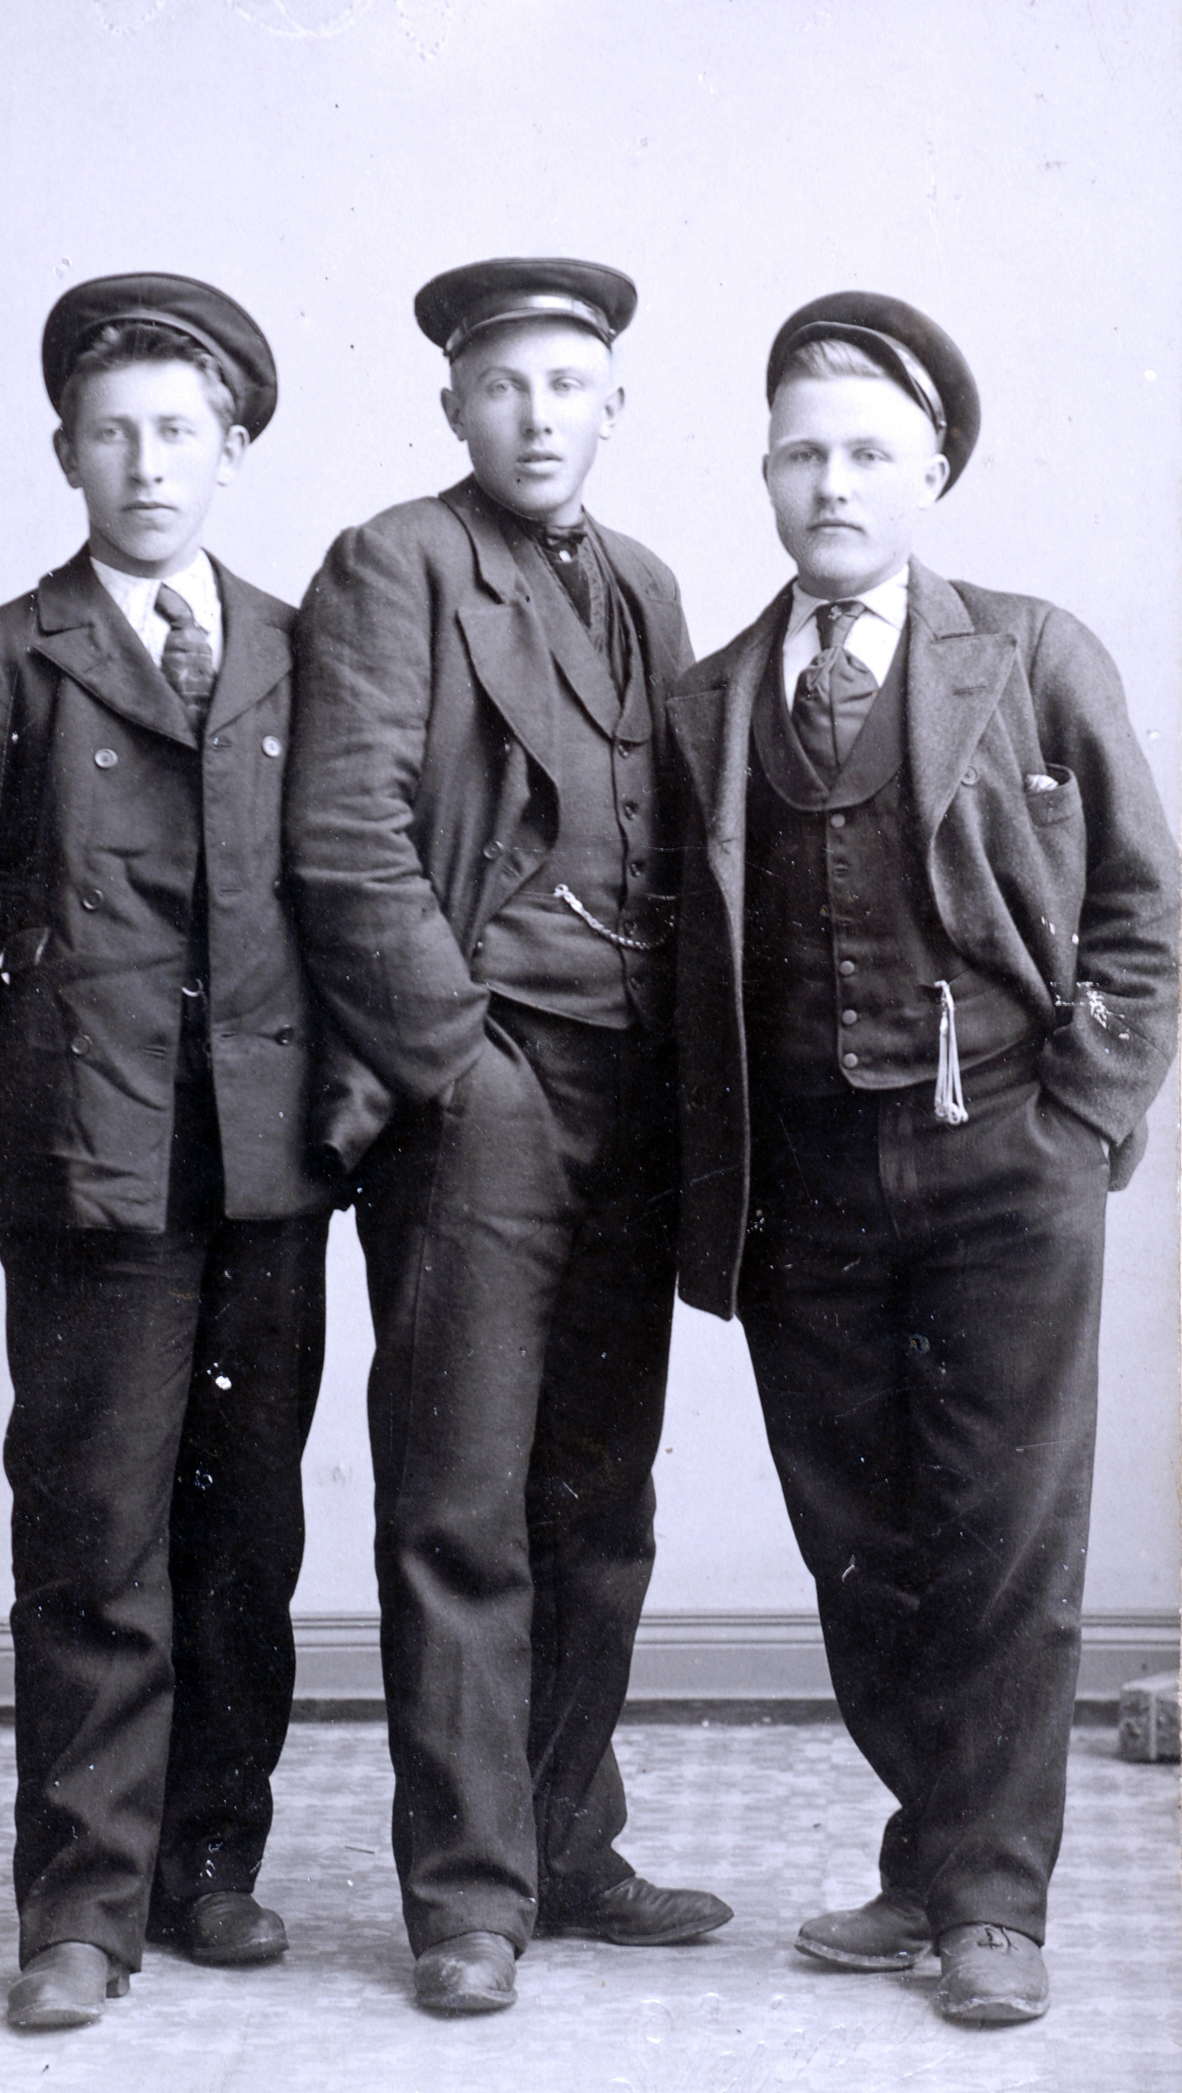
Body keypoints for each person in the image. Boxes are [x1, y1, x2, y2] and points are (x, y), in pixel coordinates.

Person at [666, 292, 1178, 2025]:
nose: (834, 484)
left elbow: (1147, 912)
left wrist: (1082, 1115)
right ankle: (934, 1850)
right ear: (764, 474)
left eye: (870, 452)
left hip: (1006, 1169)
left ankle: (992, 1903)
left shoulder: (1031, 654)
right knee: (859, 1542)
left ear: (933, 472)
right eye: (802, 453)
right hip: (804, 1189)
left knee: (1005, 1535)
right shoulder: (714, 700)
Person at [0, 273, 334, 2030]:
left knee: (247, 1529)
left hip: (270, 1173)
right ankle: (79, 1905)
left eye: (179, 430)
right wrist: (31, 1114)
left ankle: (209, 1863)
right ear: (65, 451)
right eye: (112, 432)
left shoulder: (301, 650)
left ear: (232, 450)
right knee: (93, 1533)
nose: (147, 463)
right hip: (92, 1176)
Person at [286, 257, 732, 2015]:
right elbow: (345, 841)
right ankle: (467, 1897)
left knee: (600, 1498)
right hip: (479, 1086)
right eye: (504, 387)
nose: (538, 418)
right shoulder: (395, 563)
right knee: (462, 1499)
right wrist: (461, 1072)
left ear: (614, 405)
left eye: (568, 386)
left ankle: (567, 1843)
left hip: (634, 1095)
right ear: (454, 406)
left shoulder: (649, 585)